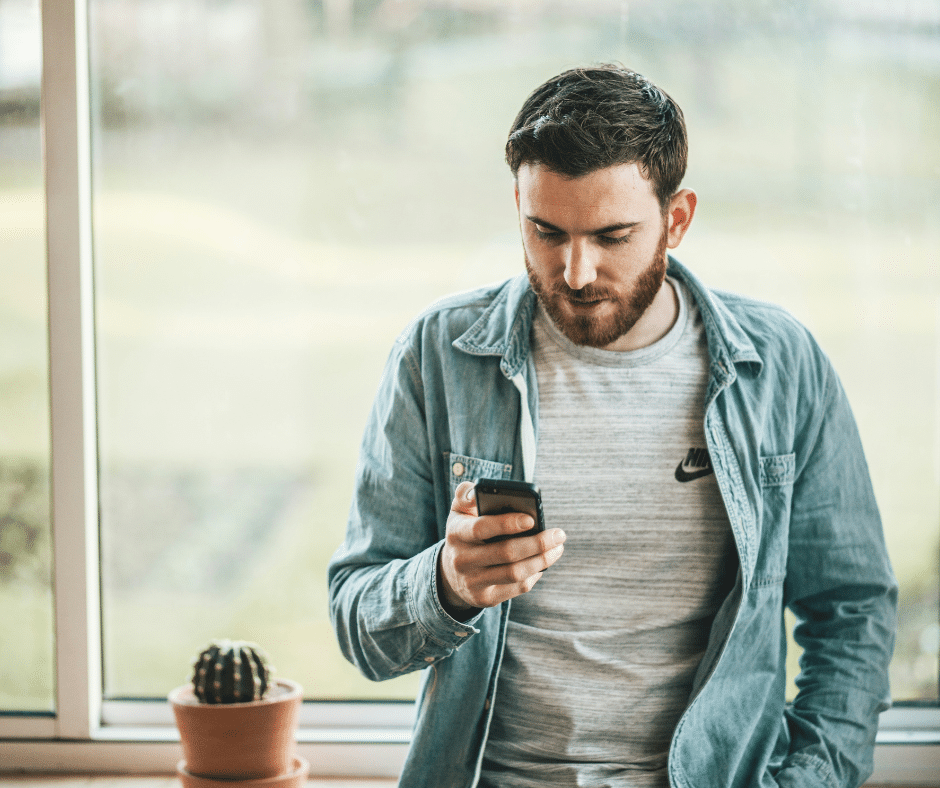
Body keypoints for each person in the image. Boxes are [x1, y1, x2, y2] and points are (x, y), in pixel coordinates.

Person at [328, 64, 897, 788]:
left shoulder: (782, 368)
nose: (574, 271)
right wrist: (446, 583)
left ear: (677, 220)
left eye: (612, 235)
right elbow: (358, 623)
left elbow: (852, 612)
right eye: (545, 231)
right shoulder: (437, 356)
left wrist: (810, 780)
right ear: (517, 206)